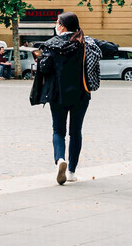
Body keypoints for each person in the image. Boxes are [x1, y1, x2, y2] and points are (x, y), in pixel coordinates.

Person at [36, 11, 101, 185]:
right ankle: (71, 171)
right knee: (76, 132)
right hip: (81, 94)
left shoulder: (51, 44)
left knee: (58, 131)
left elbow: (45, 69)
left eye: (57, 22)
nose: (56, 24)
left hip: (57, 94)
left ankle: (59, 160)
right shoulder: (84, 43)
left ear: (63, 26)